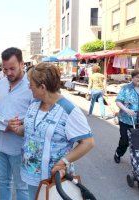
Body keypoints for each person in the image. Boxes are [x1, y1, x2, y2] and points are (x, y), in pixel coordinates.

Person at [12, 63, 95, 200]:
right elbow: (28, 131)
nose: (29, 87)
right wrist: (17, 129)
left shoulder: (69, 110)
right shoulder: (34, 104)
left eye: (31, 84)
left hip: (54, 178)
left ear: (42, 87)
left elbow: (88, 143)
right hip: (31, 175)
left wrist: (63, 162)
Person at [0, 47, 33, 200]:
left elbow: (37, 117)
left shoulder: (31, 86)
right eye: (5, 69)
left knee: (22, 187)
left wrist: (18, 125)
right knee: (3, 182)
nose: (8, 73)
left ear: (22, 64)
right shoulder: (1, 83)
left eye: (12, 68)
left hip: (19, 148)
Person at [114, 69, 139, 163]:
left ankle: (138, 162)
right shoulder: (126, 88)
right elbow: (118, 101)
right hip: (126, 119)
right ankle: (118, 153)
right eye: (137, 77)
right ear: (132, 78)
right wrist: (126, 110)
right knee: (125, 141)